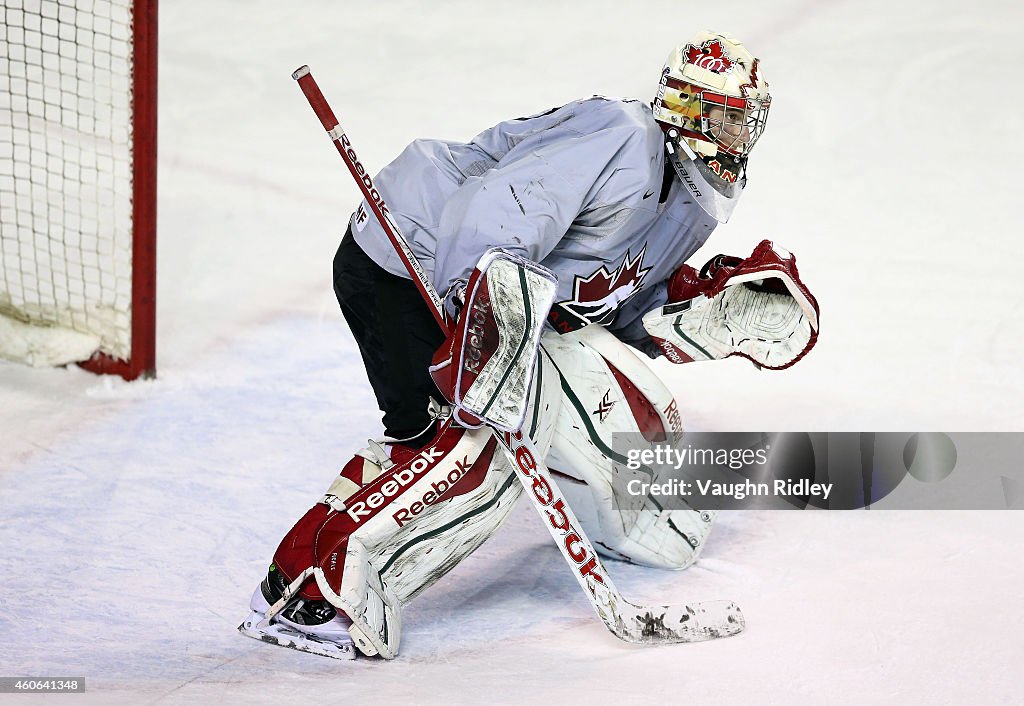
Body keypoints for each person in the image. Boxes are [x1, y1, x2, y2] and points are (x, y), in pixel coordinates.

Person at [239, 30, 819, 660]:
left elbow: (615, 306)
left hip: (473, 282)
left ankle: (294, 575)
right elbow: (488, 219)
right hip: (409, 261)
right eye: (727, 120)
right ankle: (322, 595)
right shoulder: (625, 137)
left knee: (426, 441)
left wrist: (691, 318)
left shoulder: (689, 205)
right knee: (476, 449)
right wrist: (485, 336)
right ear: (684, 109)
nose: (739, 140)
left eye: (747, 124)